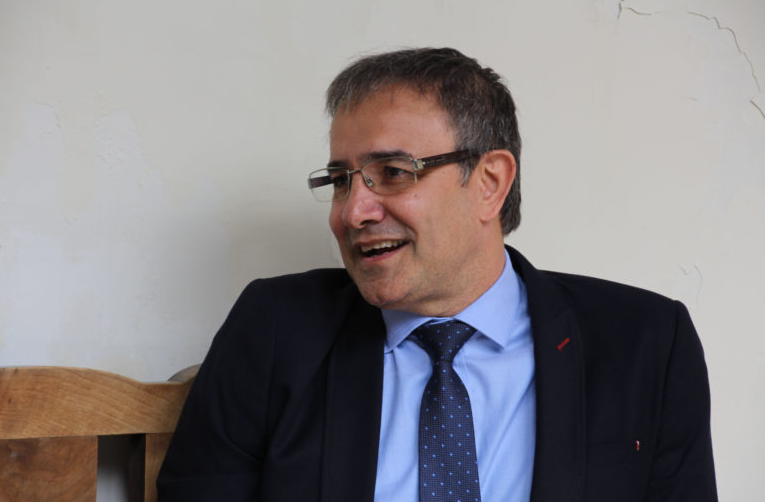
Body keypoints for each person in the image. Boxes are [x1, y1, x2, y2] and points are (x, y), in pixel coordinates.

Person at [157, 47, 717, 501]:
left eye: (393, 172)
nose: (353, 212)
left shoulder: (645, 342)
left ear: (490, 183)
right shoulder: (275, 328)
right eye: (341, 181)